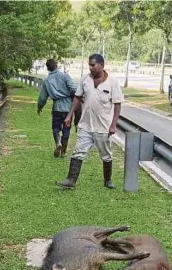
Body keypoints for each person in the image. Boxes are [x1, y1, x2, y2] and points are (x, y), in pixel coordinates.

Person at [57, 54, 123, 189]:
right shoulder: (85, 79)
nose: (91, 68)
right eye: (89, 65)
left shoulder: (113, 82)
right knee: (78, 152)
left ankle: (107, 180)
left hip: (102, 126)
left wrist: (113, 125)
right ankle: (71, 180)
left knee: (106, 155)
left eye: (93, 65)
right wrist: (69, 115)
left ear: (102, 65)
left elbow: (117, 104)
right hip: (85, 124)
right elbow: (77, 98)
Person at [37, 59, 76, 158]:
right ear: (56, 65)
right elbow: (73, 89)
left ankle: (58, 142)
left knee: (55, 128)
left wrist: (39, 107)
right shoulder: (65, 76)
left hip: (56, 108)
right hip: (68, 108)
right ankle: (63, 152)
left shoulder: (47, 81)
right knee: (66, 130)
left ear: (47, 68)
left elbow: (42, 97)